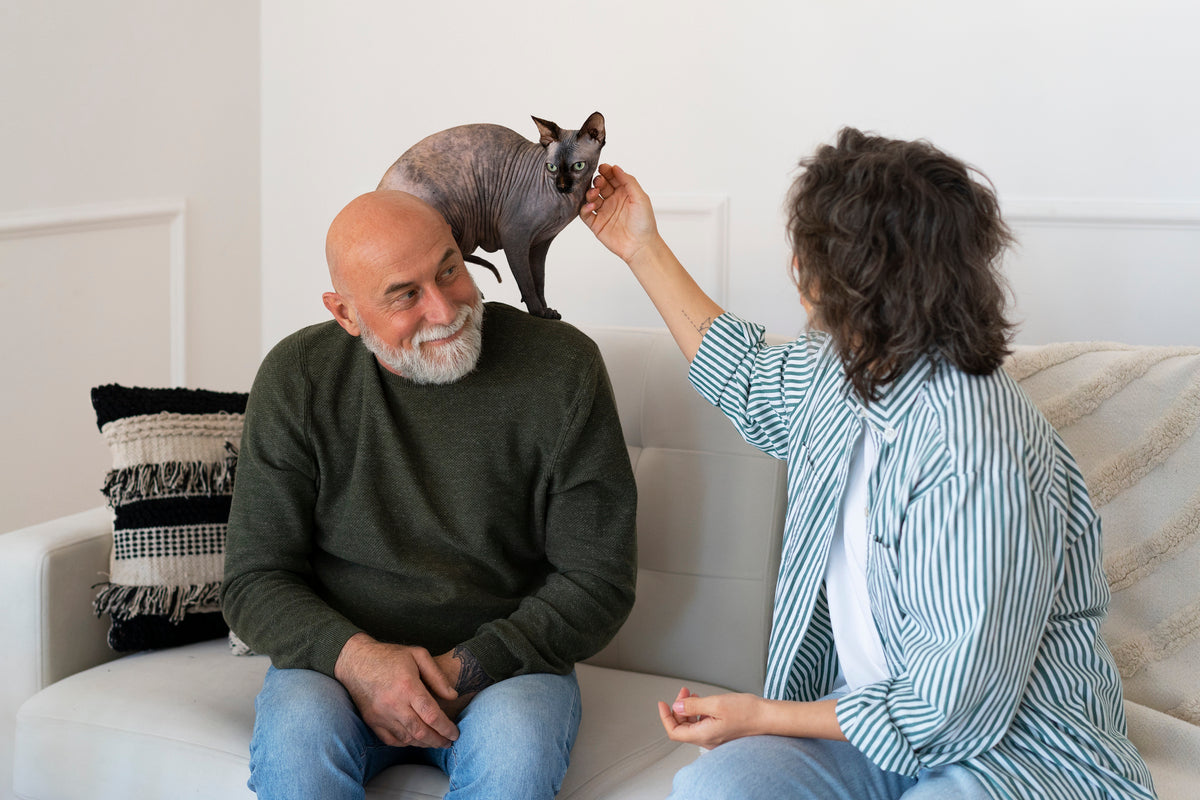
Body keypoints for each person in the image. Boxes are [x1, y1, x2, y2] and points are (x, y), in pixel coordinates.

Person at [580, 129, 1156, 799]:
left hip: (1012, 751)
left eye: (809, 252)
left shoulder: (970, 446)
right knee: (713, 790)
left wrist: (762, 715)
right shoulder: (846, 366)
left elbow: (949, 708)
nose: (794, 267)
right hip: (869, 733)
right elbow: (750, 380)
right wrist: (641, 246)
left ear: (851, 282)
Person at [221, 189, 638, 800]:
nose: (445, 310)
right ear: (345, 313)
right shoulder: (297, 377)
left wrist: (455, 673)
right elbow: (254, 578)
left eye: (450, 270)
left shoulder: (563, 368)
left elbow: (598, 581)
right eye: (405, 294)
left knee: (514, 766)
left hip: (505, 670)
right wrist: (362, 663)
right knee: (297, 761)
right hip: (338, 668)